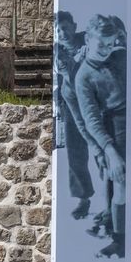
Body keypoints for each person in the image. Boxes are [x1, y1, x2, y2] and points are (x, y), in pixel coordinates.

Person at [76, 15, 127, 258]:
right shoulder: (83, 76)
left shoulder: (121, 56)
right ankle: (119, 240)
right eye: (101, 45)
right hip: (114, 131)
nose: (107, 50)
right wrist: (109, 151)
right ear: (87, 40)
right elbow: (91, 120)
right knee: (121, 186)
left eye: (111, 43)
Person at [52, 11, 94, 220]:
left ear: (74, 26)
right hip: (72, 104)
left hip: (99, 100)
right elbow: (68, 75)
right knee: (76, 151)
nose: (63, 32)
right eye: (58, 29)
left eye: (66, 27)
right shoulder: (58, 53)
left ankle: (121, 198)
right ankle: (83, 199)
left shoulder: (87, 37)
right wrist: (79, 58)